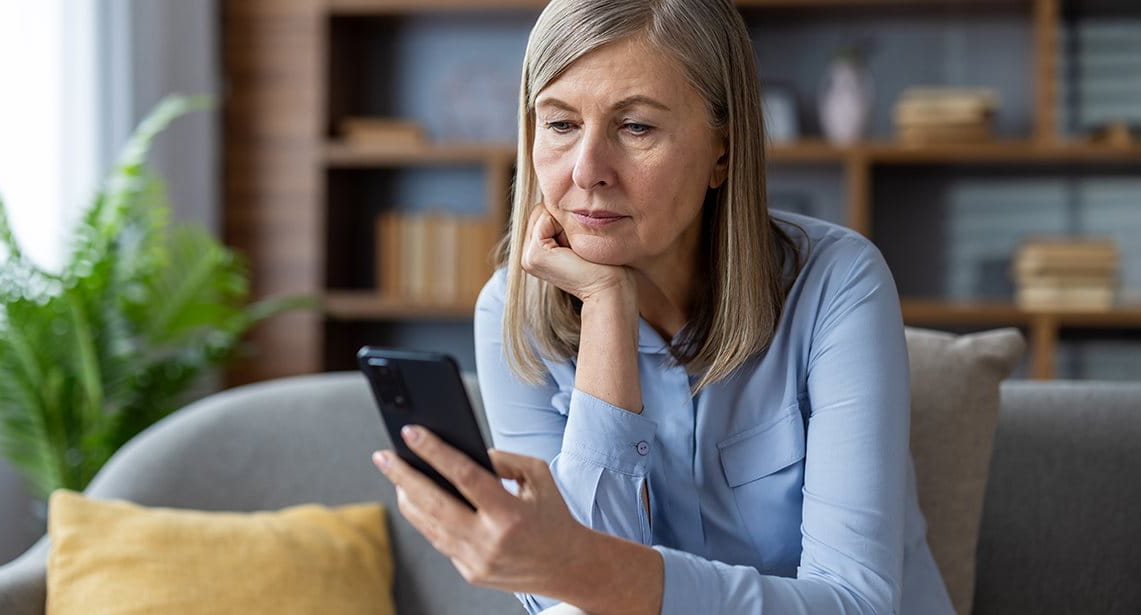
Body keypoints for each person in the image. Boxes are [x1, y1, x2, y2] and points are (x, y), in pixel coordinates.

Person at [369, 0, 954, 613]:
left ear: (723, 151)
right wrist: (606, 310)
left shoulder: (839, 283)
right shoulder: (509, 311)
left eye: (636, 127)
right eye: (561, 124)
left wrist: (584, 569)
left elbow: (857, 604)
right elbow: (568, 602)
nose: (587, 171)